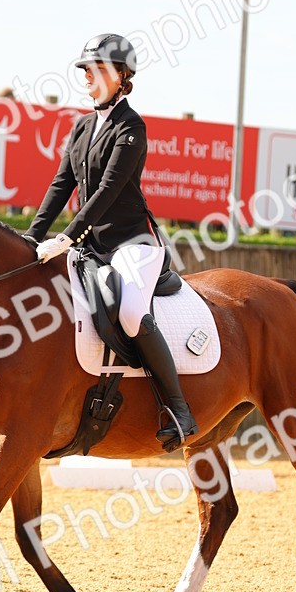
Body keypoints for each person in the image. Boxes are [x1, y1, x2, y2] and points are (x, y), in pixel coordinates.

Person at [25, 32, 198, 451]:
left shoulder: (132, 127)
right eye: (86, 70)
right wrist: (32, 235)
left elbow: (107, 191)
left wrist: (66, 236)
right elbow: (61, 183)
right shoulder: (82, 126)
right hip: (90, 246)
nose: (89, 77)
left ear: (121, 77)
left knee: (133, 311)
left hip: (131, 243)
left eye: (98, 70)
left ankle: (179, 410)